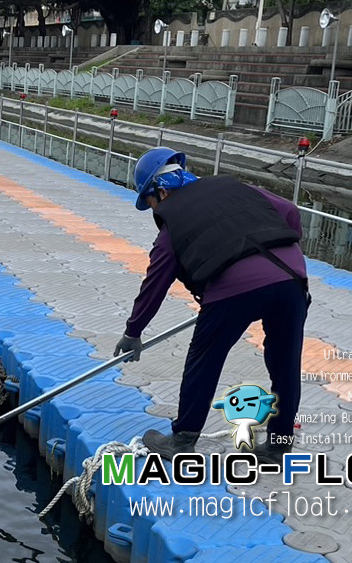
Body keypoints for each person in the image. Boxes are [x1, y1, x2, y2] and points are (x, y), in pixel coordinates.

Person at [113, 147, 310, 465]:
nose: (153, 211)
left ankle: (182, 440)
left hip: (234, 290)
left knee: (204, 360)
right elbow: (289, 212)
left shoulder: (172, 227)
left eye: (149, 203)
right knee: (285, 363)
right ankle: (278, 446)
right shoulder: (233, 185)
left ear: (160, 192)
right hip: (291, 280)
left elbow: (156, 284)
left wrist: (133, 332)